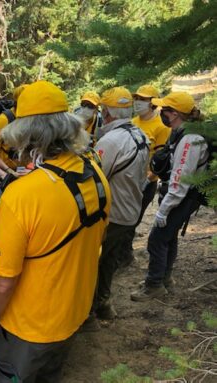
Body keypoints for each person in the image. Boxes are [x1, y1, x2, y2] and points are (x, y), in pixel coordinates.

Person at [0, 81, 111, 382]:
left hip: (30, 326)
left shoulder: (22, 195)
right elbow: (96, 239)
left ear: (28, 138)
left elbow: (1, 281)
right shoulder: (96, 177)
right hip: (72, 315)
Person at [131, 92, 209, 301]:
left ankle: (153, 285)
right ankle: (163, 278)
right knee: (168, 236)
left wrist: (164, 209)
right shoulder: (180, 132)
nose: (160, 112)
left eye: (163, 110)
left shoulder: (190, 140)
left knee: (156, 239)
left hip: (183, 196)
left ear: (174, 114)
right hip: (181, 195)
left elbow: (181, 179)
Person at [93, 87, 150, 320]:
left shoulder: (112, 140)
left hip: (111, 214)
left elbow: (94, 179)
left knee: (93, 263)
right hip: (130, 211)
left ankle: (87, 313)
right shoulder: (141, 135)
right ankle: (104, 304)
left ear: (107, 113)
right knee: (109, 261)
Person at [119, 85, 171, 268]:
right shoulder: (132, 122)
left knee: (133, 219)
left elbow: (161, 161)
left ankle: (124, 257)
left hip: (145, 182)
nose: (138, 102)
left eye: (143, 99)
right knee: (122, 219)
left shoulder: (161, 127)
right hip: (127, 179)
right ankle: (123, 255)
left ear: (153, 104)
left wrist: (147, 179)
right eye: (137, 98)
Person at [0, 85, 27, 180]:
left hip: (20, 172)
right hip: (1, 175)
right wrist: (9, 171)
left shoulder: (27, 120)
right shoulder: (3, 120)